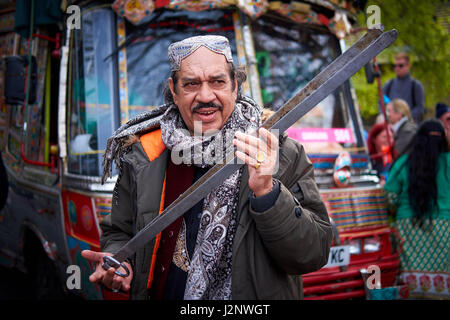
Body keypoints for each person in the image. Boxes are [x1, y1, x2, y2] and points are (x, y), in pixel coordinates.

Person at [81, 35, 332, 300]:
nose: (205, 96)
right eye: (191, 84)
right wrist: (120, 261)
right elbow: (119, 232)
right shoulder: (146, 155)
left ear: (235, 86)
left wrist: (268, 193)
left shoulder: (279, 152)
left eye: (217, 82)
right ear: (174, 91)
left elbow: (313, 254)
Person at [384, 119, 449, 299]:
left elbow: (390, 197)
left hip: (408, 228)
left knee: (410, 291)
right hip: (446, 230)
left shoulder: (404, 163)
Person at [383, 53, 425, 124]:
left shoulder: (416, 85)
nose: (397, 68)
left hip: (409, 126)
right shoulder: (389, 85)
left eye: (400, 65)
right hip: (391, 126)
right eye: (395, 66)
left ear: (408, 66)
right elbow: (381, 102)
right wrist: (388, 116)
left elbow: (420, 108)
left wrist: (403, 118)